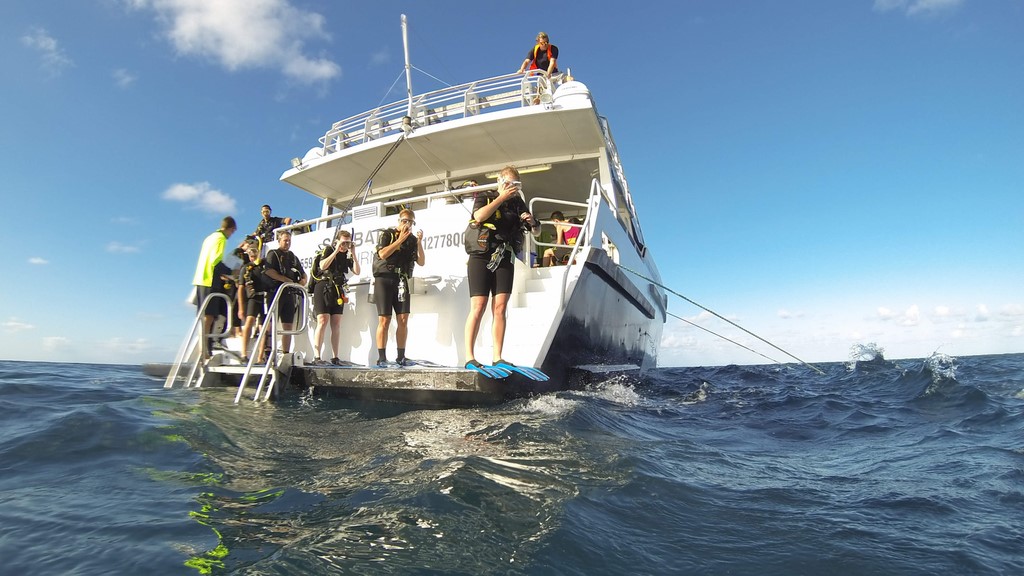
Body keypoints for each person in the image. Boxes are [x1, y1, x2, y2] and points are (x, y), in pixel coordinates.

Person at [463, 166, 539, 371]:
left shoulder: (517, 203)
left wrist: (532, 221)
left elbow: (537, 231)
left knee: (500, 307)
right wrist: (501, 198)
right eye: (509, 183)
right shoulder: (487, 196)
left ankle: (498, 356)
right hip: (481, 254)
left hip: (504, 255)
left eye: (516, 185)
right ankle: (469, 357)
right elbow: (478, 217)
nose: (512, 188)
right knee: (478, 305)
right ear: (500, 181)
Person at [372, 209, 425, 367]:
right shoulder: (388, 234)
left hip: (401, 281)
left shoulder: (412, 240)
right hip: (384, 279)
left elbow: (421, 262)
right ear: (399, 221)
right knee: (384, 319)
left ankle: (401, 356)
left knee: (403, 319)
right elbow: (382, 254)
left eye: (410, 222)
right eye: (404, 221)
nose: (407, 224)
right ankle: (381, 357)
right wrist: (400, 240)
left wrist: (419, 243)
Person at [310, 230, 360, 365]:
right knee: (322, 320)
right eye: (343, 242)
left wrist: (353, 253)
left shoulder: (347, 255)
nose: (345, 246)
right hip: (324, 287)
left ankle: (335, 356)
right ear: (337, 241)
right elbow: (322, 265)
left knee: (336, 322)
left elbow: (357, 271)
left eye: (347, 243)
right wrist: (336, 250)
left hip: (338, 289)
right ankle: (317, 356)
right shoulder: (329, 249)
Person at [193, 216, 237, 358]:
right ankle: (205, 350)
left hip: (201, 279)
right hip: (209, 280)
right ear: (230, 229)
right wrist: (232, 272)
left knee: (206, 316)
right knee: (209, 317)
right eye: (233, 232)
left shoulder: (209, 237)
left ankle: (204, 348)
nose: (231, 235)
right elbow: (215, 262)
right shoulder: (221, 239)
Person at [263, 230, 307, 355]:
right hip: (276, 292)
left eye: (289, 240)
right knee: (271, 323)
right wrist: (284, 280)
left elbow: (303, 274)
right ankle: (266, 351)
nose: (287, 243)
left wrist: (303, 281)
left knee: (288, 325)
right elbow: (268, 271)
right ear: (279, 241)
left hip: (289, 294)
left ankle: (286, 353)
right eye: (285, 240)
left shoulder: (293, 257)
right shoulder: (273, 254)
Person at [236, 243, 268, 364]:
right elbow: (240, 288)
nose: (253, 258)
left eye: (254, 255)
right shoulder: (246, 268)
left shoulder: (264, 266)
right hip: (253, 298)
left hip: (264, 297)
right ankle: (244, 353)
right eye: (250, 256)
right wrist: (241, 308)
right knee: (249, 322)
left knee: (263, 327)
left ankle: (260, 357)